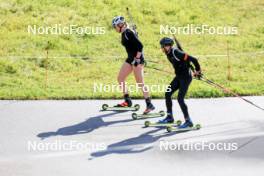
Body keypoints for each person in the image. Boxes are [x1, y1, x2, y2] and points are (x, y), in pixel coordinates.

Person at [111, 16, 155, 114]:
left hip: (137, 60)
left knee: (140, 83)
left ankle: (149, 105)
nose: (115, 28)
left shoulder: (128, 32)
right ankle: (127, 101)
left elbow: (140, 46)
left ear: (120, 25)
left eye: (115, 26)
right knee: (120, 78)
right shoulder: (125, 32)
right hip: (130, 59)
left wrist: (138, 59)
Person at [159, 37, 202, 128]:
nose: (162, 48)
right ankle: (169, 117)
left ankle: (188, 121)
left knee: (180, 99)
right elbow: (185, 62)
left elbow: (193, 59)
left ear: (168, 46)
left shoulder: (176, 52)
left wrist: (197, 71)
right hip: (179, 77)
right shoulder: (168, 53)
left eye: (163, 46)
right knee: (168, 93)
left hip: (186, 78)